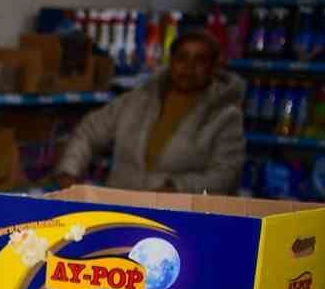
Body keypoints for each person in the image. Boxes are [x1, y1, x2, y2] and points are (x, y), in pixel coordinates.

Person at [54, 29, 246, 194]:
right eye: (182, 57)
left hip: (179, 216)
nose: (189, 66)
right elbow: (89, 131)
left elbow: (225, 175)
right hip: (119, 208)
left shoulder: (225, 116)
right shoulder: (138, 99)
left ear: (213, 67)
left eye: (200, 59)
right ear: (171, 62)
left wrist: (177, 187)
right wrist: (68, 173)